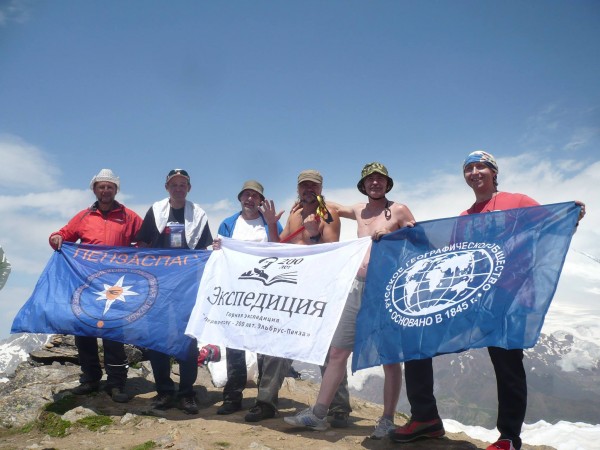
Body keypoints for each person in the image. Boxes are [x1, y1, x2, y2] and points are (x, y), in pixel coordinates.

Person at [389, 151, 587, 450]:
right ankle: (426, 418)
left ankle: (509, 438)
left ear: (494, 172)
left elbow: (552, 226)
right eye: (468, 168)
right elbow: (454, 256)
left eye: (480, 166)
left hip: (510, 297)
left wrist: (571, 216)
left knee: (507, 364)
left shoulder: (517, 201)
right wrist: (412, 236)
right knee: (415, 336)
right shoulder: (464, 217)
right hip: (472, 298)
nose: (474, 172)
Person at [282, 163, 415, 434]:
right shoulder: (358, 210)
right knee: (337, 351)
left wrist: (397, 235)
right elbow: (329, 206)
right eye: (370, 180)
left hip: (386, 288)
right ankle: (318, 414)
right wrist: (307, 203)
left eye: (380, 179)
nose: (375, 183)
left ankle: (387, 420)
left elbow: (416, 239)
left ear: (387, 183)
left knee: (390, 357)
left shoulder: (399, 210)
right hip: (356, 286)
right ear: (363, 185)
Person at [49, 168, 143, 403]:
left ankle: (116, 383)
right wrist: (55, 238)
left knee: (113, 334)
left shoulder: (129, 216)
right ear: (94, 190)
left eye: (110, 187)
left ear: (116, 190)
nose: (105, 190)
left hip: (116, 286)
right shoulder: (83, 217)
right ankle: (90, 378)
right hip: (88, 285)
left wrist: (134, 254)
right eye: (101, 186)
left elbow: (146, 240)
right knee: (84, 332)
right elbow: (63, 234)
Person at [135, 168, 213, 415]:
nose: (178, 188)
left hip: (186, 286)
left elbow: (204, 249)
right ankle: (164, 391)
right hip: (158, 283)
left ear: (188, 188)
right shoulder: (156, 210)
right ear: (167, 187)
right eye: (174, 184)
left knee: (187, 338)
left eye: (182, 184)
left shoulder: (198, 214)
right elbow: (143, 243)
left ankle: (187, 393)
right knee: (157, 336)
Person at [212, 180, 283, 419]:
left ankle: (264, 400)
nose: (250, 199)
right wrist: (216, 248)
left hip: (265, 293)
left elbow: (281, 249)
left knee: (264, 344)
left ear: (261, 200)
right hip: (236, 291)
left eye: (255, 195)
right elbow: (220, 254)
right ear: (240, 198)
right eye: (246, 195)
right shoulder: (229, 223)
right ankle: (232, 396)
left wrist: (272, 224)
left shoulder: (269, 223)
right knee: (234, 343)